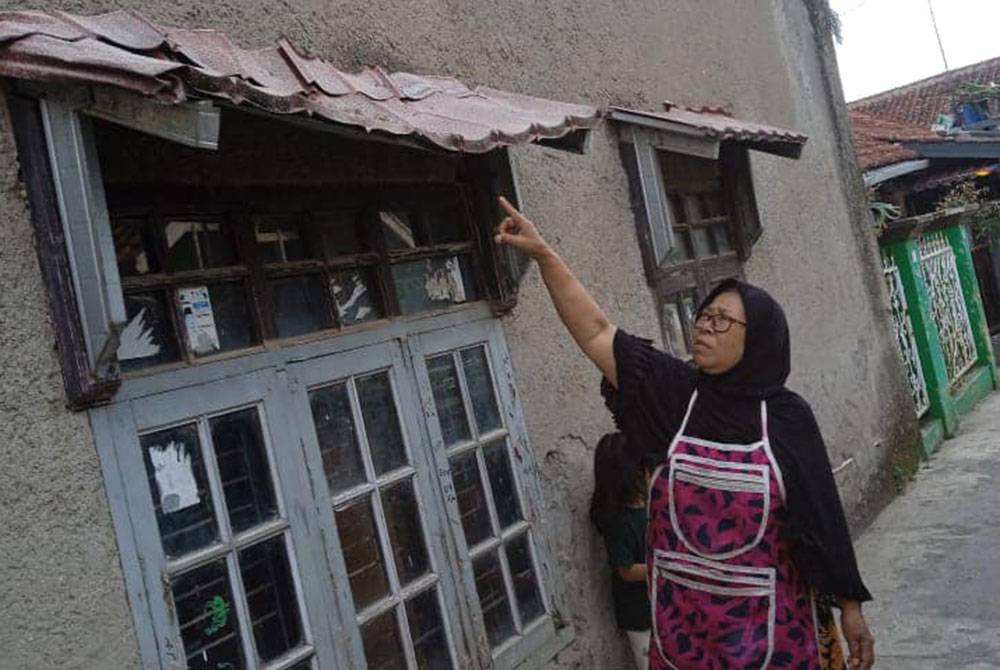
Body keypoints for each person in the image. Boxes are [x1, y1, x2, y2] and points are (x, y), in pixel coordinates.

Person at [494, 197, 875, 670]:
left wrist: (850, 607)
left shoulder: (784, 417)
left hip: (769, 632)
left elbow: (821, 512)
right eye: (704, 316)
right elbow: (596, 333)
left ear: (757, 338)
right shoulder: (676, 394)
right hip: (683, 635)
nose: (705, 329)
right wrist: (545, 256)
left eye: (722, 322)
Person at [590, 432, 652, 669]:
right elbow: (625, 571)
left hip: (659, 603)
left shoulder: (647, 506)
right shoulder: (616, 520)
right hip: (638, 613)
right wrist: (663, 569)